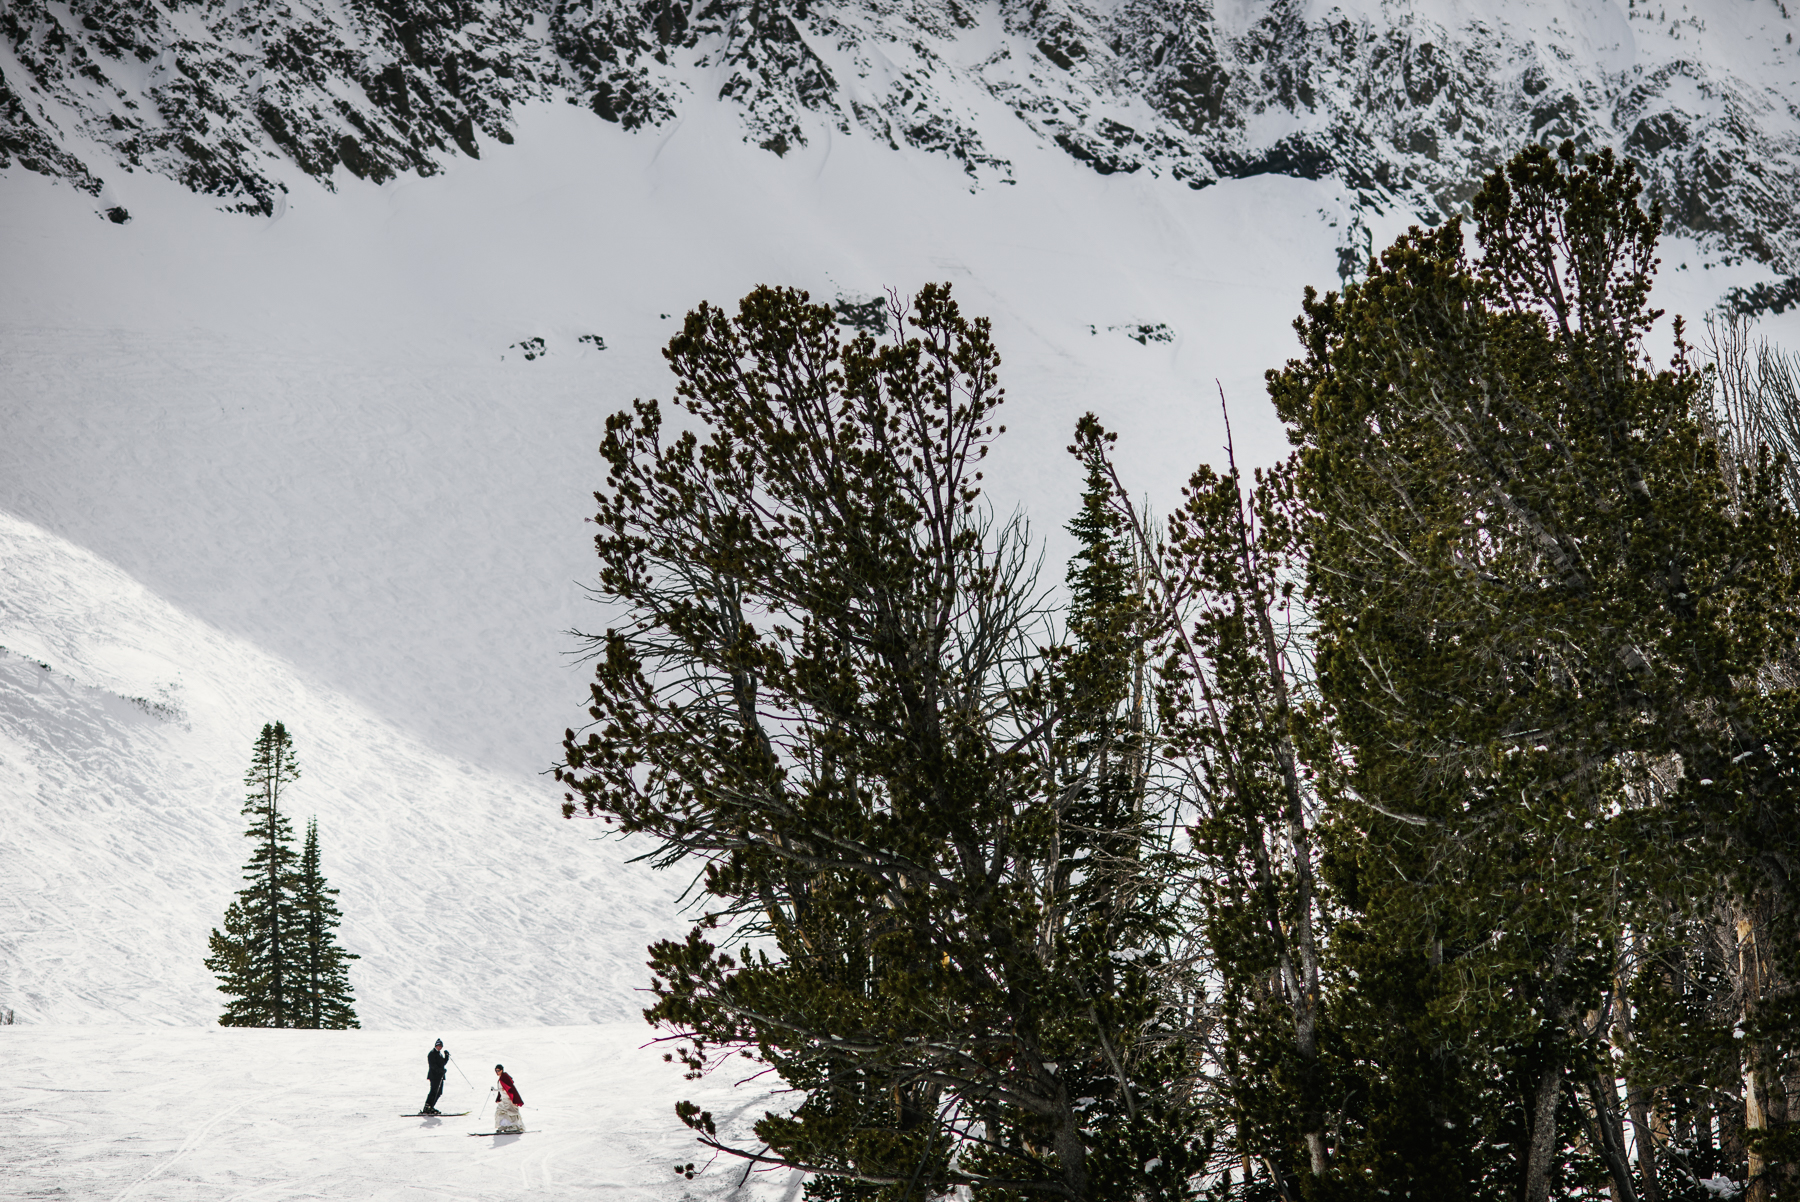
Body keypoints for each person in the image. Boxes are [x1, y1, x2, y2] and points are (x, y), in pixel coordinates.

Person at [492, 1064, 524, 1133]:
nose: (497, 1072)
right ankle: (504, 1125)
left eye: (498, 1070)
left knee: (510, 1112)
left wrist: (495, 1090)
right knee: (501, 1111)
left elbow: (507, 1088)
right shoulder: (501, 1078)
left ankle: (513, 1126)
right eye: (496, 1071)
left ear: (501, 1070)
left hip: (508, 1099)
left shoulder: (504, 1077)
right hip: (503, 1099)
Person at [423, 1039, 449, 1115]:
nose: (440, 1047)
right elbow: (432, 1066)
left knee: (439, 1092)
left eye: (441, 1046)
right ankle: (427, 1106)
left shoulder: (439, 1054)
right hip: (434, 1076)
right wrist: (440, 1071)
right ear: (436, 1046)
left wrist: (446, 1056)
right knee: (434, 1091)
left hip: (440, 1076)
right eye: (438, 1046)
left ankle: (431, 1106)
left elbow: (442, 1063)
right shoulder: (432, 1054)